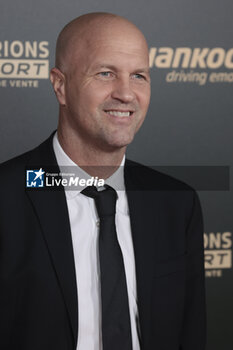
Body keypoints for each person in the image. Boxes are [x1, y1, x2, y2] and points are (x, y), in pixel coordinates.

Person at [0, 12, 206, 350]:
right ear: (60, 85)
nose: (126, 94)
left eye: (139, 76)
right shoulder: (7, 197)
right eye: (106, 73)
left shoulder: (176, 203)